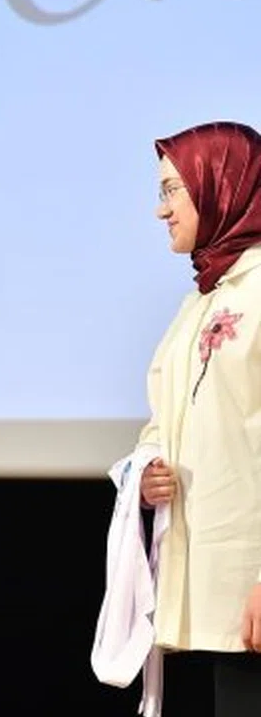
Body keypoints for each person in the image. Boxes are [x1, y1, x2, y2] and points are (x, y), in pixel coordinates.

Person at [136, 121, 261, 717]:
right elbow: (167, 418)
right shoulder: (203, 301)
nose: (160, 210)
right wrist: (147, 470)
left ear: (222, 186)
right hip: (219, 585)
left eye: (171, 190)